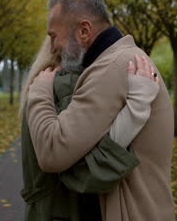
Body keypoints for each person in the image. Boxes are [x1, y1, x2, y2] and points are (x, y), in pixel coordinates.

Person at [26, 0, 175, 220]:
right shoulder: (122, 59)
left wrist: (39, 90)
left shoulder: (111, 67)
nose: (52, 47)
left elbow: (52, 152)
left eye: (54, 36)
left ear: (84, 30)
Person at [20, 36, 160, 220]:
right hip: (66, 211)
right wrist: (138, 105)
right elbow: (88, 169)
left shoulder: (42, 81)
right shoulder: (65, 85)